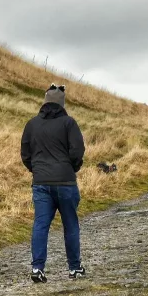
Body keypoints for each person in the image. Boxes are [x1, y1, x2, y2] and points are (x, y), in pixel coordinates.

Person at [20, 84, 87, 282]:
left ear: (45, 101)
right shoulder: (69, 123)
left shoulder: (32, 125)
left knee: (41, 224)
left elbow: (25, 154)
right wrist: (71, 168)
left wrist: (36, 170)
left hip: (41, 182)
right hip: (65, 182)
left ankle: (37, 269)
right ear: (62, 103)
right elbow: (77, 151)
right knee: (71, 225)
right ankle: (74, 268)